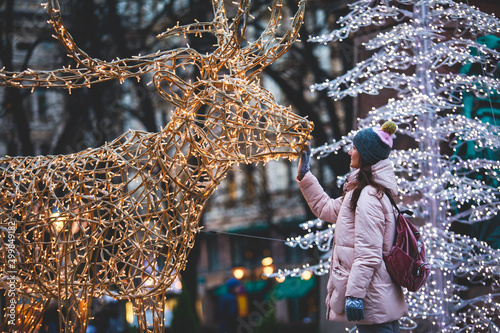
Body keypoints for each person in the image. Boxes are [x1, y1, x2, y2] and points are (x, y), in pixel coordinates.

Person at [296, 121, 407, 333]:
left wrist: (355, 296)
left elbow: (369, 254)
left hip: (372, 300)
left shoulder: (368, 197)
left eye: (354, 148)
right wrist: (305, 175)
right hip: (377, 299)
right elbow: (327, 209)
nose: (350, 152)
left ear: (365, 154)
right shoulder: (363, 193)